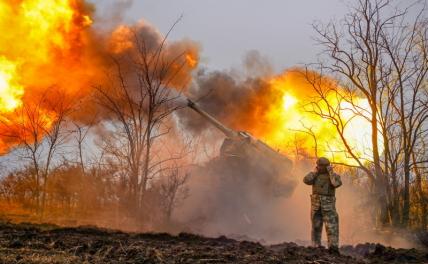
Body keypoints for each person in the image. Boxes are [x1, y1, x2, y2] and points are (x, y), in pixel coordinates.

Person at [303, 157, 342, 254]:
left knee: (332, 228)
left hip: (328, 207)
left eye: (322, 166)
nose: (320, 167)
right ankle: (316, 247)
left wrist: (330, 172)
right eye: (318, 166)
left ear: (328, 166)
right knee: (316, 227)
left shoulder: (334, 176)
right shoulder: (314, 176)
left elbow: (336, 183)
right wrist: (315, 172)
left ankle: (333, 249)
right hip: (316, 206)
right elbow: (306, 180)